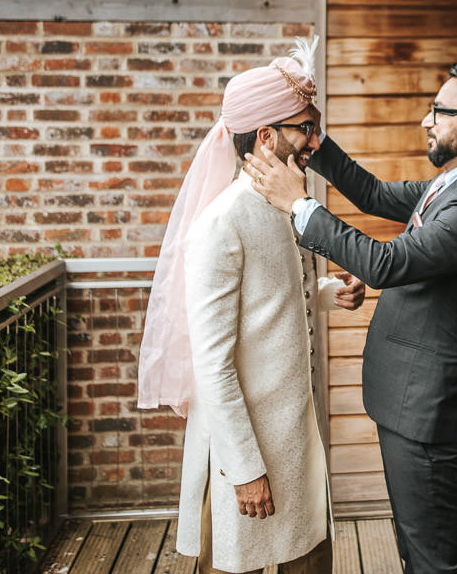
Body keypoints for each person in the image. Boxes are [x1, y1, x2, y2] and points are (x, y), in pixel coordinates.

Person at [244, 61, 457, 574]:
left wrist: (298, 204)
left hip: (430, 416)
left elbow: (385, 265)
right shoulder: (451, 185)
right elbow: (370, 193)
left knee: (434, 560)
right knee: (417, 551)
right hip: (410, 406)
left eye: (439, 110)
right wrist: (313, 139)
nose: (426, 120)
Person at [136, 40, 364, 574]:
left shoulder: (294, 203)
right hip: (246, 452)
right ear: (266, 136)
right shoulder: (222, 224)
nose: (316, 140)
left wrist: (331, 294)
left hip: (297, 441)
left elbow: (281, 298)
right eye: (305, 128)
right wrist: (244, 470)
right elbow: (211, 362)